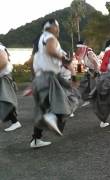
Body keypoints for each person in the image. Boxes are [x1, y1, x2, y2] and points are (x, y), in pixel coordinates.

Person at [30, 19, 76, 148]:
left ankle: (36, 139)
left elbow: (33, 60)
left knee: (43, 107)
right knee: (65, 102)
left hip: (41, 77)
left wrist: (34, 78)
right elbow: (50, 51)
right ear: (52, 27)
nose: (59, 29)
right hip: (49, 76)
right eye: (58, 26)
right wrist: (64, 59)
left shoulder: (39, 40)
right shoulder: (50, 37)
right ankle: (52, 116)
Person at [0, 43, 22, 132]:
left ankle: (15, 122)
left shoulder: (0, 48)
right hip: (3, 77)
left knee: (5, 100)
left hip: (3, 78)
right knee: (4, 100)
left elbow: (4, 62)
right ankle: (14, 121)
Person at [76, 41, 100, 107]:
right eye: (77, 48)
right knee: (83, 83)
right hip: (89, 70)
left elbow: (95, 63)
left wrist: (95, 74)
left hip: (95, 70)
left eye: (79, 48)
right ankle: (86, 99)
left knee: (93, 86)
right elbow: (80, 66)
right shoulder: (82, 54)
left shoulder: (89, 53)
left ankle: (95, 102)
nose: (78, 49)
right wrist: (79, 73)